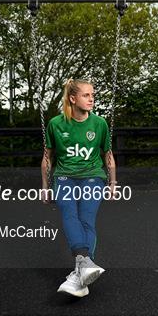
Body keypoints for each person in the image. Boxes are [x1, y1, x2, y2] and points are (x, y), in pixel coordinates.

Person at [40, 78, 117, 298]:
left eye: (93, 95)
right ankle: (83, 268)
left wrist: (113, 183)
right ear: (72, 99)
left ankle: (80, 267)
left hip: (93, 176)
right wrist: (45, 186)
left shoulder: (100, 124)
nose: (91, 99)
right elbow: (47, 158)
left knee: (86, 219)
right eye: (86, 95)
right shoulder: (56, 123)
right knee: (68, 212)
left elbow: (108, 156)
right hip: (64, 177)